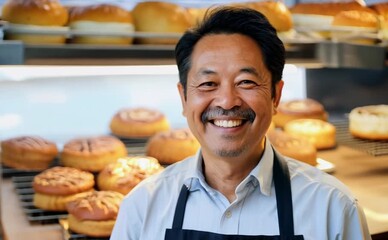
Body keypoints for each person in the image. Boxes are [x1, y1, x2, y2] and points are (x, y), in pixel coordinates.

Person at [110, 6, 371, 240]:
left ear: (275, 96)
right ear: (184, 97)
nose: (226, 101)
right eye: (208, 83)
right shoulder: (142, 207)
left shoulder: (333, 208)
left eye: (246, 82)